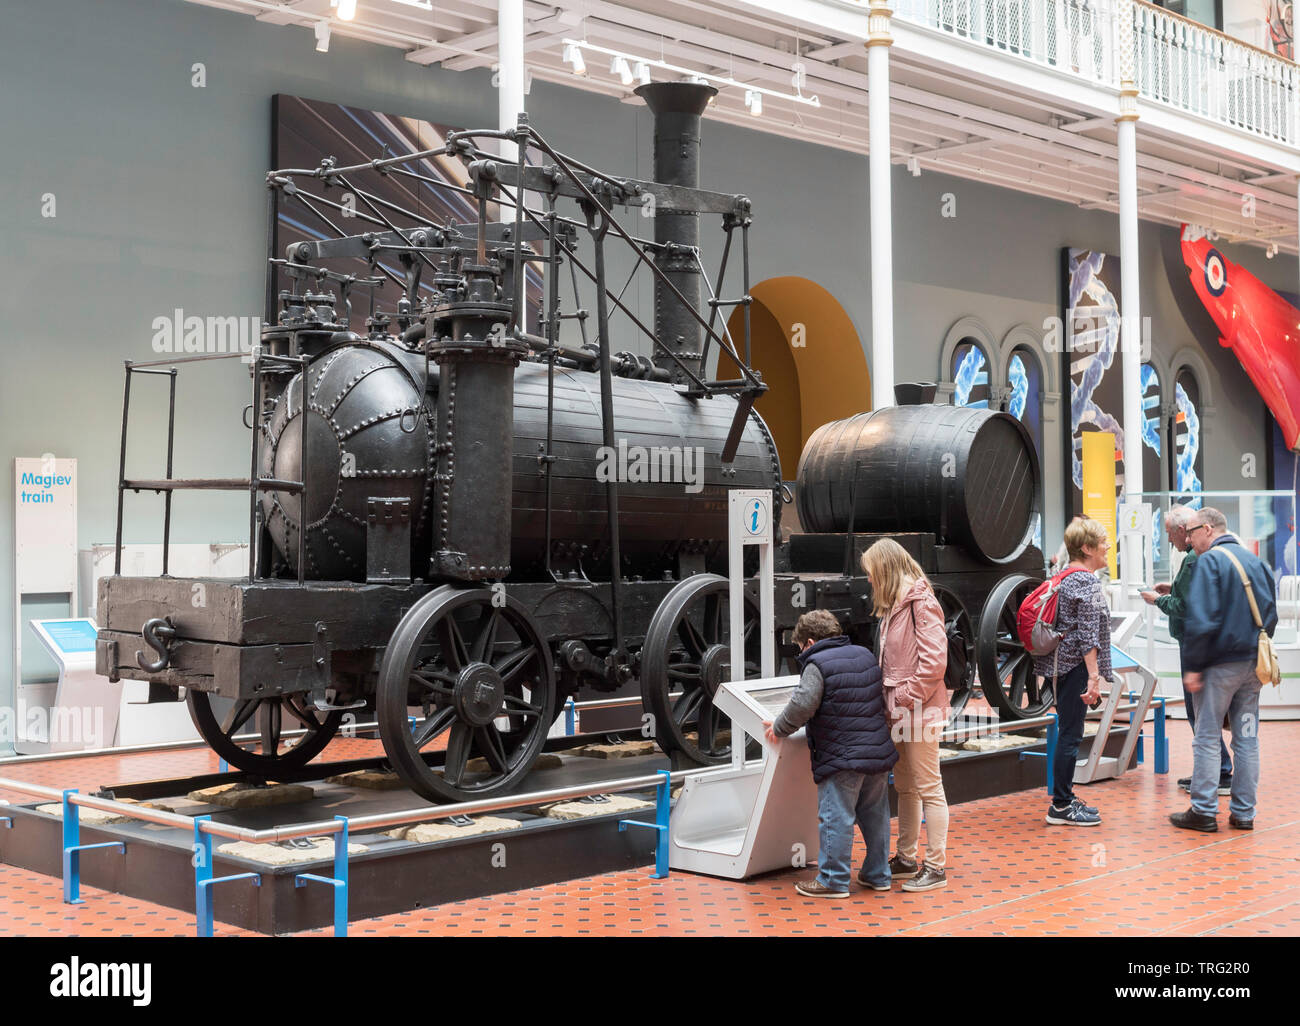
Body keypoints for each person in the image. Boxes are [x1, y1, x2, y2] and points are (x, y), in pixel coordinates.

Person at [763, 608, 898, 898]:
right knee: (875, 816)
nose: (801, 652)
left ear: (809, 642)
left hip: (841, 755)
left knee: (836, 817)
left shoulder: (817, 663)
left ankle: (833, 880)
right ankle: (878, 875)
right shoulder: (863, 654)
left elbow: (802, 705)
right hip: (876, 752)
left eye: (800, 647)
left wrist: (779, 727)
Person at [1171, 507, 1278, 832]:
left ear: (1208, 528)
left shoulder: (1210, 562)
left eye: (1191, 531)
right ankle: (1244, 812)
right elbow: (1270, 613)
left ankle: (1203, 810)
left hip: (1218, 666)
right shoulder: (1255, 562)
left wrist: (1192, 667)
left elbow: (1201, 619)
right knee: (1247, 738)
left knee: (1206, 735)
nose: (1188, 539)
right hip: (1252, 667)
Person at [860, 538, 951, 892]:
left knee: (929, 787)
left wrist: (902, 698)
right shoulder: (894, 605)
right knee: (908, 788)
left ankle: (936, 866)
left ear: (884, 568)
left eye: (870, 572)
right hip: (901, 714)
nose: (868, 580)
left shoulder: (921, 603)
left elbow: (934, 665)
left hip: (918, 712)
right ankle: (907, 857)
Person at [1140, 505, 1232, 795]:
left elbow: (1187, 607)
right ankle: (1215, 770)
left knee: (1200, 712)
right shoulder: (1198, 559)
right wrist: (1174, 589)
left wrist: (1158, 600)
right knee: (1202, 712)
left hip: (1196, 645)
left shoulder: (1194, 560)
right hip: (1203, 644)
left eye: (1170, 533)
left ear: (1185, 531)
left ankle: (1217, 773)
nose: (1170, 540)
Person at [1034, 517, 1111, 826]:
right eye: (1103, 542)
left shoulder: (1064, 575)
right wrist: (1093, 677)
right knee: (1070, 735)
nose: (1108, 547)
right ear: (1087, 548)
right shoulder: (1087, 581)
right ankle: (1061, 805)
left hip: (1059, 666)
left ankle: (1064, 799)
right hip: (1075, 666)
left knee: (1068, 731)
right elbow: (1087, 636)